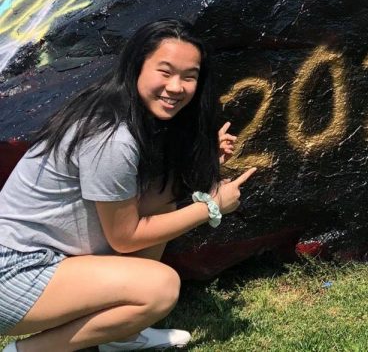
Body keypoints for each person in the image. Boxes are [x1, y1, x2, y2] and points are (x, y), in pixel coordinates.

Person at [0, 19, 253, 351]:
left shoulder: (130, 115)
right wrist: (211, 206)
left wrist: (205, 161)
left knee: (160, 200)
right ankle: (27, 351)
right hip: (14, 271)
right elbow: (125, 236)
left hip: (50, 257)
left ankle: (120, 337)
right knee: (160, 288)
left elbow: (155, 198)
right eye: (164, 72)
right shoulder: (112, 137)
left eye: (189, 77)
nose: (176, 87)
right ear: (137, 66)